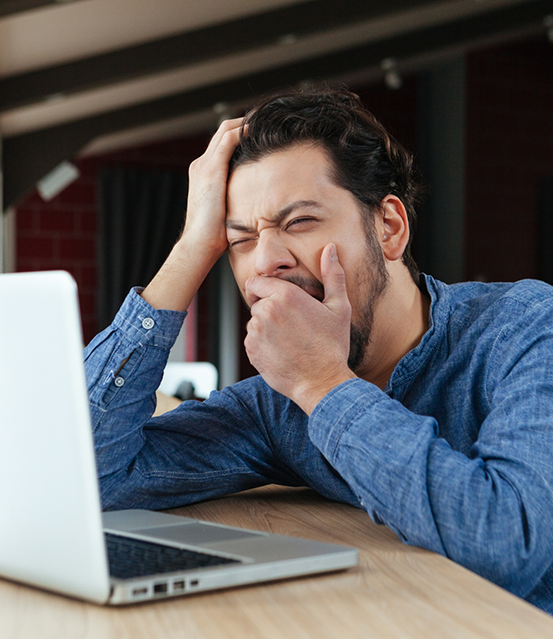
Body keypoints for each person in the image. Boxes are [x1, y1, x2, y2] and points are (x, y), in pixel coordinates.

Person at [85, 87, 553, 614]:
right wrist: (192, 246)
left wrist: (323, 385)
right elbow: (89, 478)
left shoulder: (528, 324)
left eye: (300, 222)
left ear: (389, 227)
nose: (265, 261)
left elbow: (509, 544)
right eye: (239, 240)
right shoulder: (275, 411)